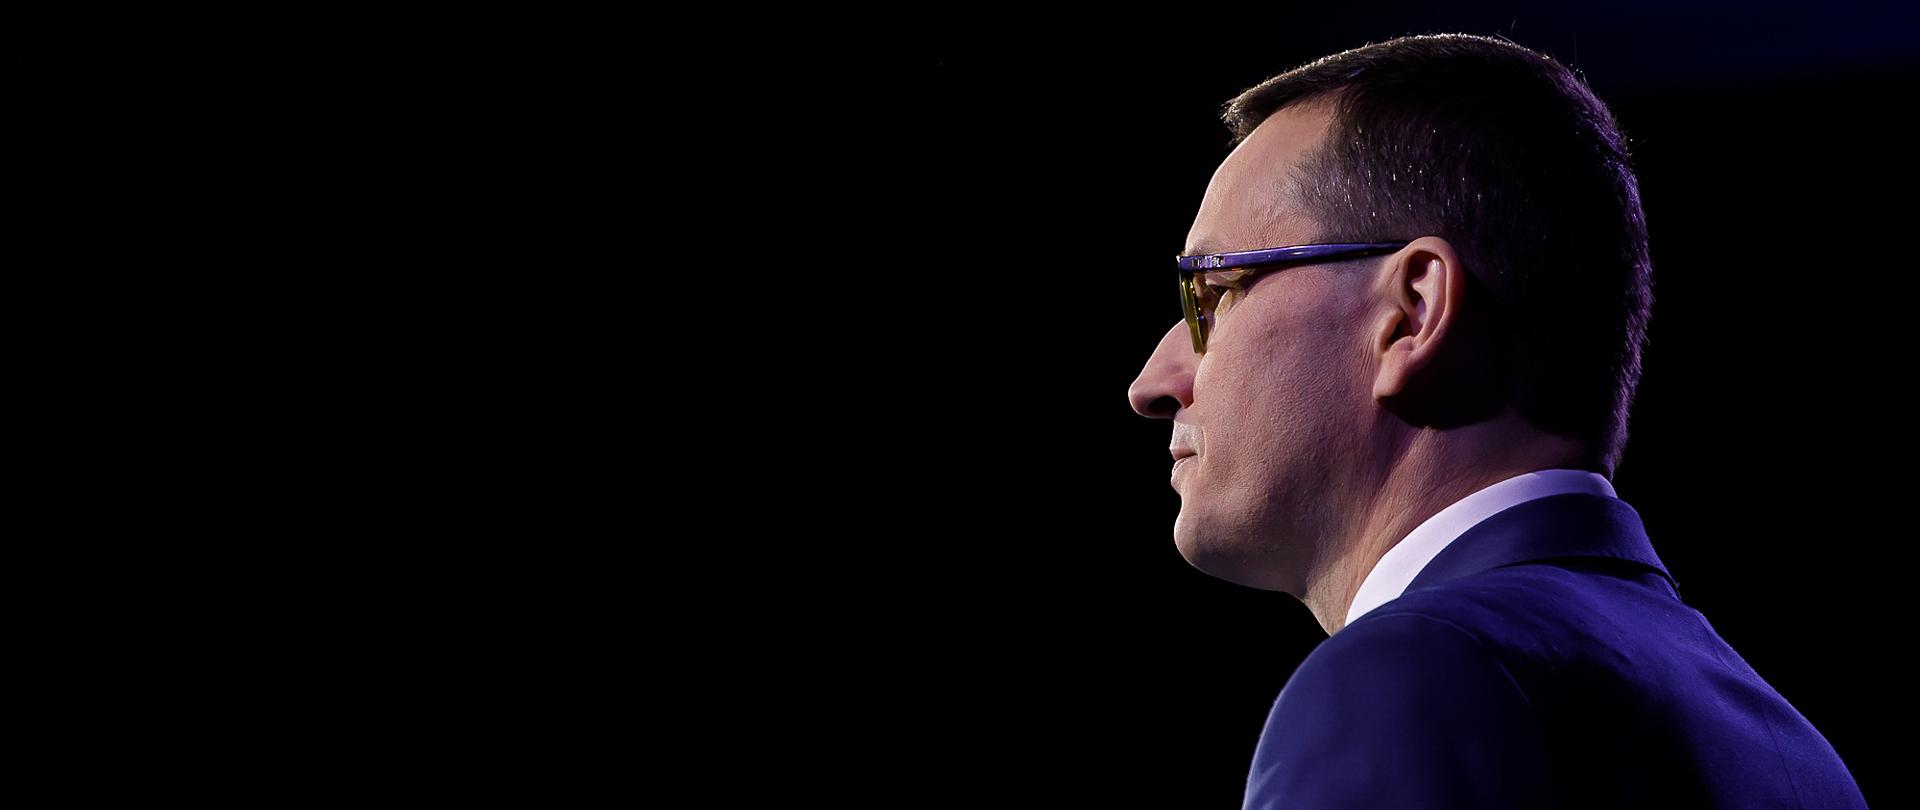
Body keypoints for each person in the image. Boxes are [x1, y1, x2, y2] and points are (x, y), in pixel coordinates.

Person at [1126, 33, 1867, 808]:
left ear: (1411, 314)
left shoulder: (1408, 680)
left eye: (1212, 294)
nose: (1151, 385)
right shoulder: (1794, 754)